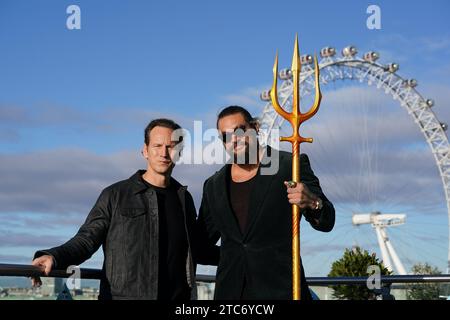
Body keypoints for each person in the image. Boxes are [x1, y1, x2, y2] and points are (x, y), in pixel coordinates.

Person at [31, 118, 218, 300]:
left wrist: (242, 254)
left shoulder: (184, 198)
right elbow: (86, 240)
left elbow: (198, 249)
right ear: (145, 151)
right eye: (157, 146)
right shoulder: (115, 195)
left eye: (171, 147)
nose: (164, 153)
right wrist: (53, 256)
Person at [196, 106, 335, 300]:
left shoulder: (290, 165)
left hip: (282, 291)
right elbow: (200, 247)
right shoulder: (213, 185)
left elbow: (328, 221)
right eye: (226, 137)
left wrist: (313, 203)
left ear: (256, 128)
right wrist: (238, 256)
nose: (234, 140)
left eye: (240, 130)